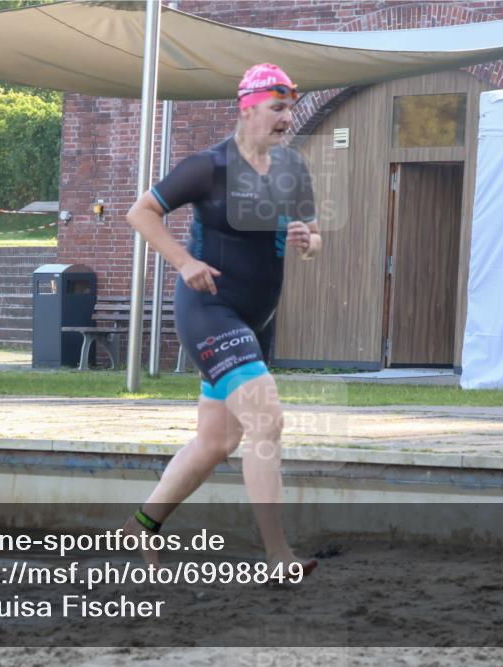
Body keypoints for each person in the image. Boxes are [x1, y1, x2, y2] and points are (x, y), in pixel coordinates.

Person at [123, 63, 321, 577]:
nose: (286, 119)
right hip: (209, 311)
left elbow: (314, 237)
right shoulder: (208, 167)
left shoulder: (292, 170)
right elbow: (141, 212)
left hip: (254, 320)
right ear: (248, 108)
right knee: (266, 420)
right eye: (277, 108)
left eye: (290, 109)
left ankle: (140, 527)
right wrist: (183, 262)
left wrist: (308, 241)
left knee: (217, 442)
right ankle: (279, 556)